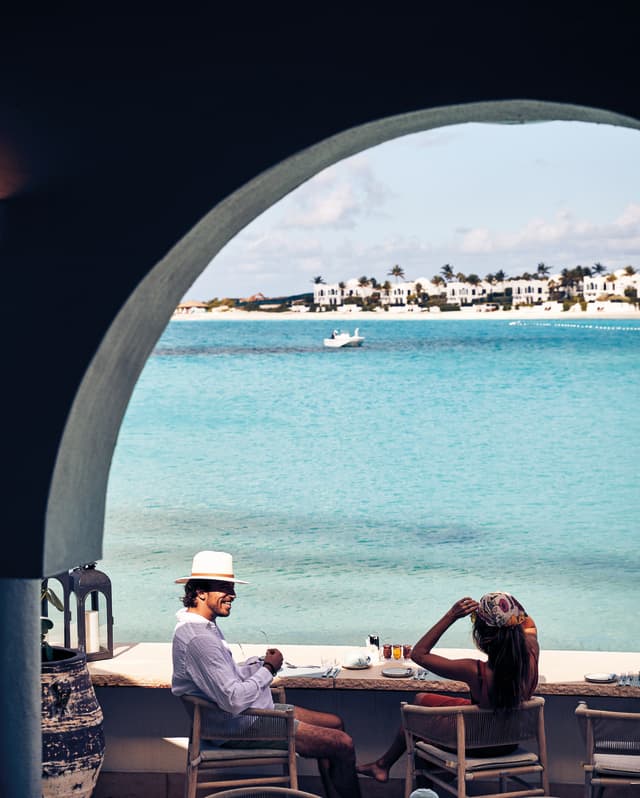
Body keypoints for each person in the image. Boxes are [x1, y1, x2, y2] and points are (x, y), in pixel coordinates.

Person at [171, 550, 362, 798]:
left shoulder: (197, 627)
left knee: (334, 724)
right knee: (342, 744)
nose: (233, 595)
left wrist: (255, 664)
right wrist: (268, 669)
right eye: (224, 588)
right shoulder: (200, 639)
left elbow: (222, 677)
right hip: (238, 726)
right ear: (200, 592)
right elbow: (235, 699)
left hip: (241, 716)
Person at [357, 591, 539, 783]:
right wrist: (505, 604)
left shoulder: (475, 671)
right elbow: (528, 623)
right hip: (509, 743)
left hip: (478, 744)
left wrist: (451, 615)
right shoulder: (532, 653)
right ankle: (385, 766)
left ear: (482, 636)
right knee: (421, 700)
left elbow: (418, 654)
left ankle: (402, 776)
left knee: (416, 722)